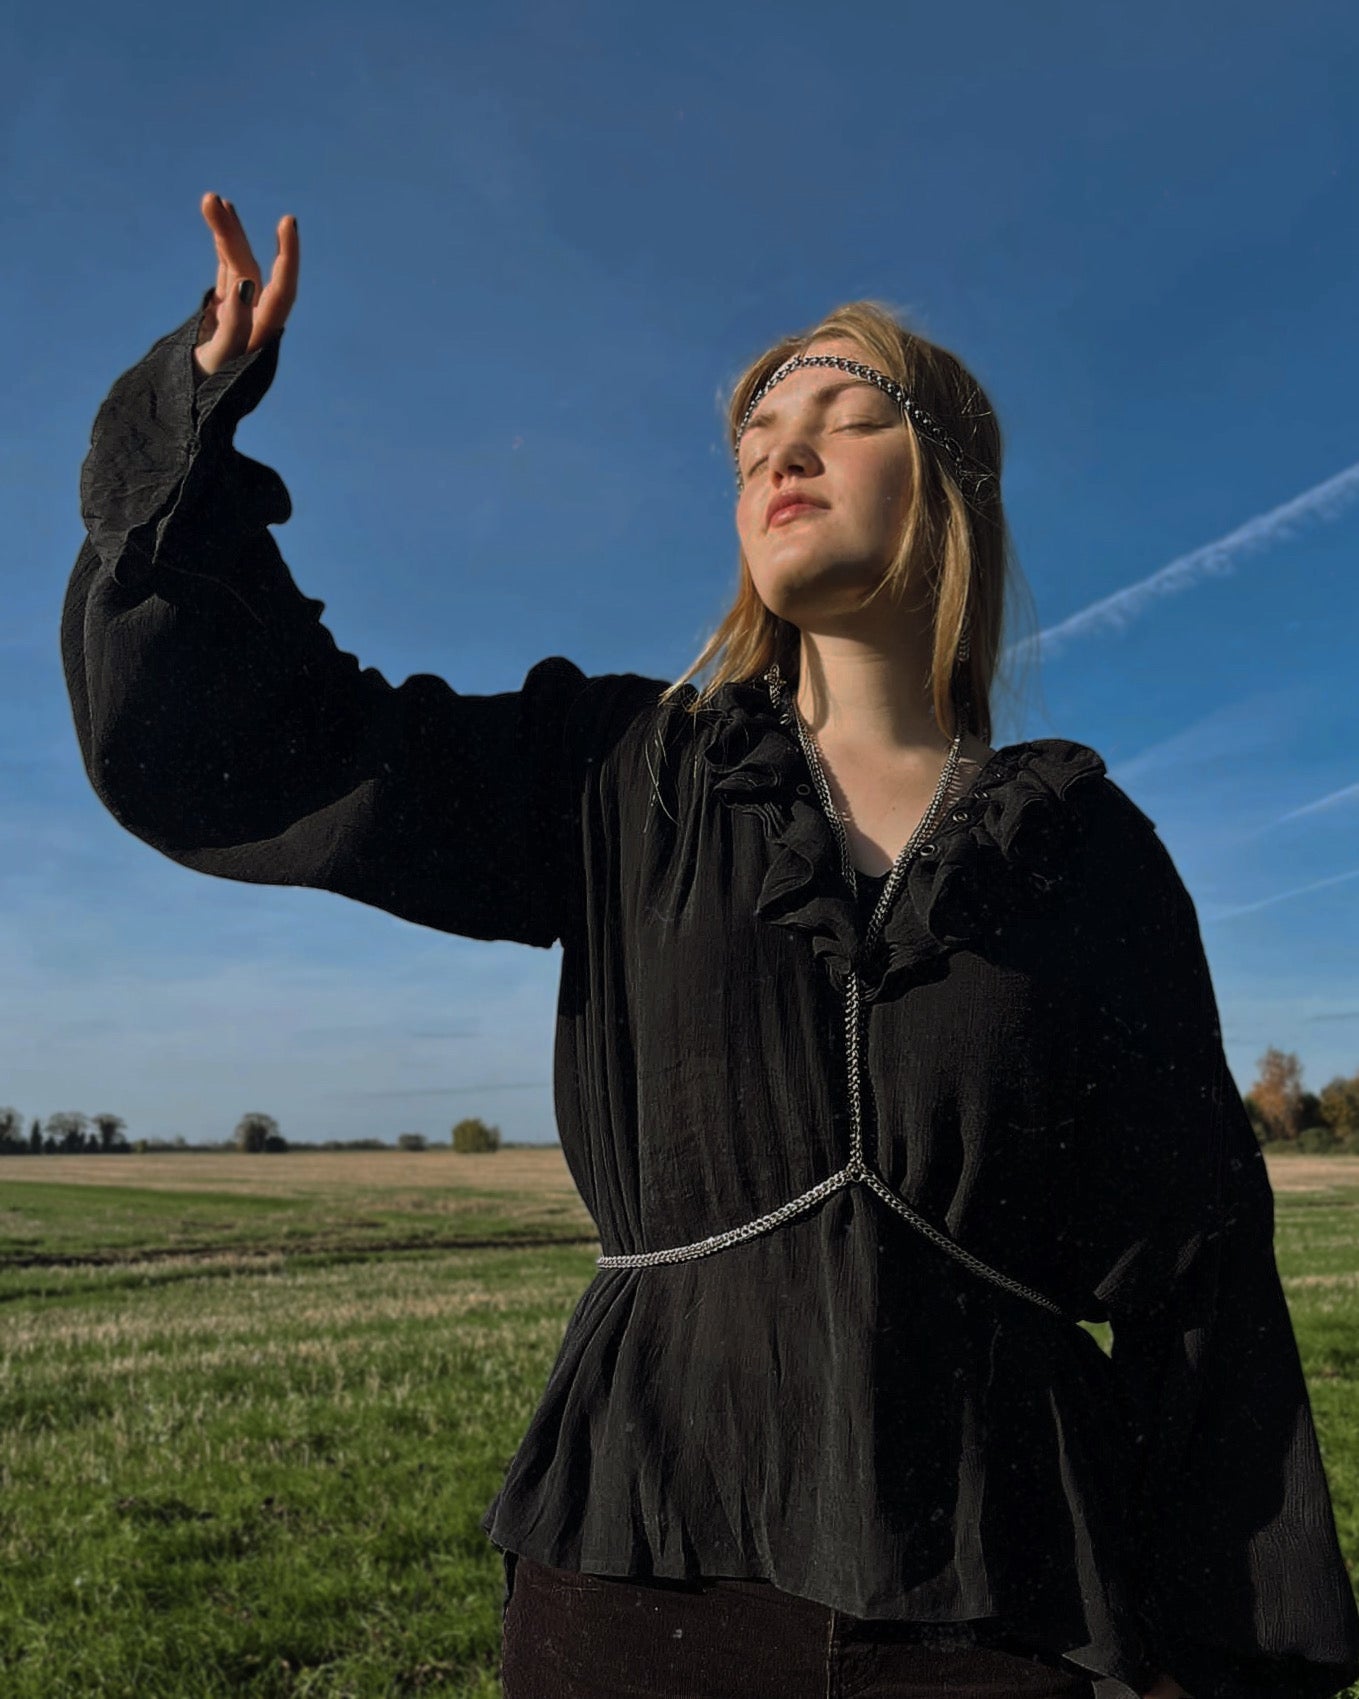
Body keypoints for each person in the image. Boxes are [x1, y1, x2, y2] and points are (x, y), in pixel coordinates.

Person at [62, 195, 1359, 1699]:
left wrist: (1235, 1661)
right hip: (646, 1569)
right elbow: (260, 754)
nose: (777, 452)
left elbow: (1201, 1275)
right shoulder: (623, 774)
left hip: (1003, 1598)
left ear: (952, 482)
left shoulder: (1083, 853)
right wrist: (190, 435)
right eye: (752, 444)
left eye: (838, 413)